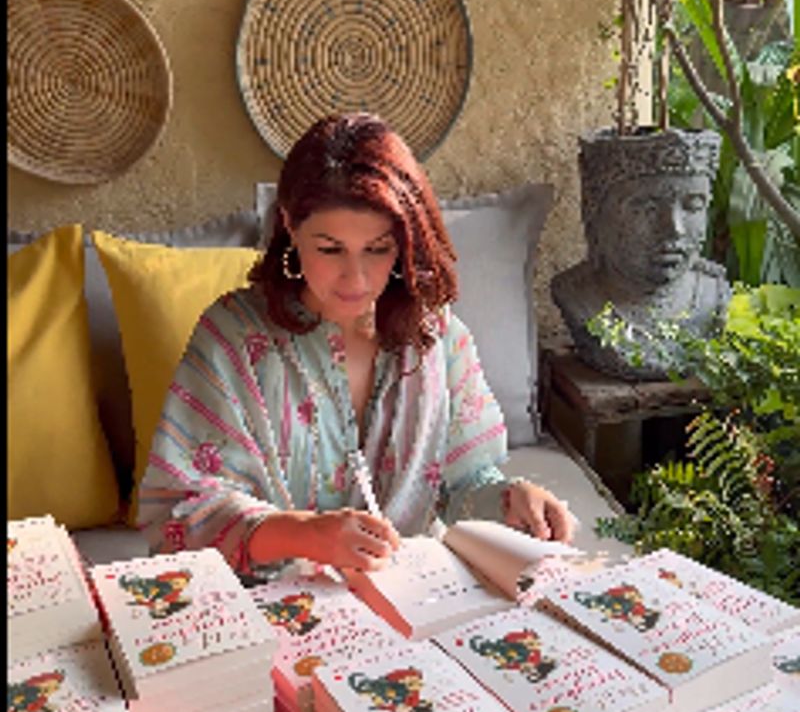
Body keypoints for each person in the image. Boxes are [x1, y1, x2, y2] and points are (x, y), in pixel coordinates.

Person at [138, 112, 575, 582]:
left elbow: (466, 482)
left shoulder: (437, 337)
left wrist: (511, 499)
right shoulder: (232, 339)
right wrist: (300, 534)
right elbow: (178, 514)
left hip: (411, 597)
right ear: (290, 225)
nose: (356, 279)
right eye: (330, 249)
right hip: (265, 605)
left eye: (378, 249)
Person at [551, 128, 730, 381]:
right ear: (594, 211)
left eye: (692, 206)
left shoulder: (713, 294)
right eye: (647, 208)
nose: (674, 229)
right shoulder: (576, 294)